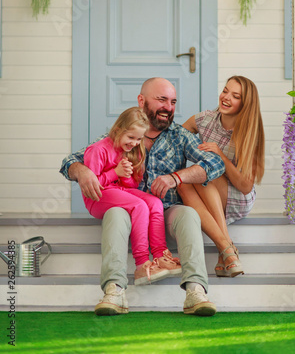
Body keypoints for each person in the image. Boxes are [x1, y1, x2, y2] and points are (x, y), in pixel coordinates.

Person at [60, 77, 225, 316]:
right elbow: (70, 161)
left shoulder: (179, 136)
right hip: (125, 207)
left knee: (189, 214)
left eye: (173, 101)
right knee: (116, 213)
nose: (168, 107)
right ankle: (114, 290)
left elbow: (215, 163)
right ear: (141, 100)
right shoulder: (120, 135)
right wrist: (83, 171)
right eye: (161, 99)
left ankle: (195, 290)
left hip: (164, 210)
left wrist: (176, 177)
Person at [83, 107, 181, 290]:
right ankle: (142, 263)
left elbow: (129, 187)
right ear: (118, 130)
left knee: (154, 202)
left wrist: (126, 175)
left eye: (138, 139)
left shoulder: (129, 149)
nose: (135, 143)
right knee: (139, 206)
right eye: (131, 137)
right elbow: (92, 186)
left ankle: (161, 256)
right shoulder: (97, 150)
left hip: (117, 192)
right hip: (97, 197)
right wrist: (115, 172)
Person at [180, 75, 265, 278]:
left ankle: (224, 247)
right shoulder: (205, 119)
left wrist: (220, 155)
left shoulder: (249, 132)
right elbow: (176, 138)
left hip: (238, 196)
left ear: (245, 104)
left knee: (209, 171)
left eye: (235, 96)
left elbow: (245, 186)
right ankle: (228, 249)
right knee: (182, 183)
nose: (226, 97)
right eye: (225, 90)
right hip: (209, 189)